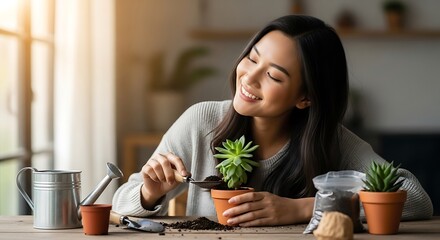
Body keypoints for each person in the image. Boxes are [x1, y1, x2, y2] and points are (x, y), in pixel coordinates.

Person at [113, 15, 433, 227]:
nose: (249, 77)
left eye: (273, 76)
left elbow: (416, 200)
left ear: (305, 98)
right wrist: (150, 193)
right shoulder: (201, 121)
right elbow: (121, 203)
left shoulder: (330, 139)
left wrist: (304, 208)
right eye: (252, 58)